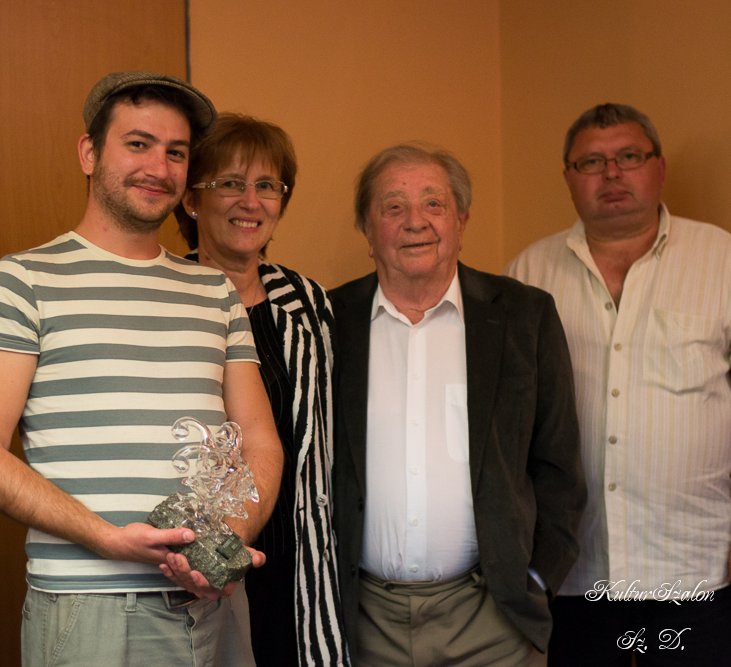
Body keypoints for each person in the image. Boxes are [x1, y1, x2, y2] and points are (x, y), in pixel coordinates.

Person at [0, 71, 283, 667]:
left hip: (215, 603)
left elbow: (261, 441)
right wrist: (108, 539)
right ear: (89, 153)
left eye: (175, 152)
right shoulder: (23, 281)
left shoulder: (215, 292)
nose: (158, 166)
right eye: (138, 144)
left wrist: (225, 546)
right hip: (92, 607)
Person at [330, 144, 586, 667]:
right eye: (393, 207)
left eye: (434, 204)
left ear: (461, 221)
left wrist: (536, 578)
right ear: (367, 228)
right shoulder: (326, 321)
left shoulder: (524, 316)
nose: (415, 221)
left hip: (494, 623)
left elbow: (559, 466)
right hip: (362, 622)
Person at [505, 103, 731, 666]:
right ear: (567, 177)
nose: (611, 173)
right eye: (591, 162)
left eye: (629, 156)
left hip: (692, 568)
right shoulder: (528, 275)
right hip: (573, 572)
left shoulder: (723, 260)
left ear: (659, 168)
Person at [176, 112, 349, 667]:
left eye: (268, 186)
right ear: (191, 200)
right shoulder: (166, 298)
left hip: (300, 562)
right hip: (196, 564)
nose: (250, 201)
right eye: (230, 183)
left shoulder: (309, 303)